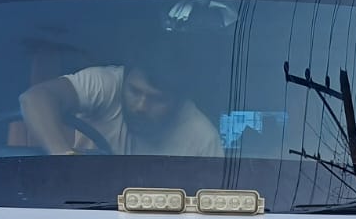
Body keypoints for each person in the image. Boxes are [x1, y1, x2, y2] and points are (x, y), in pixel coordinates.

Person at [19, 51, 221, 157]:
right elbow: (35, 98)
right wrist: (63, 156)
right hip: (78, 205)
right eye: (134, 91)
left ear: (179, 101)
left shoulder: (203, 139)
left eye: (157, 99)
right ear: (124, 78)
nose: (141, 106)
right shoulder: (108, 83)